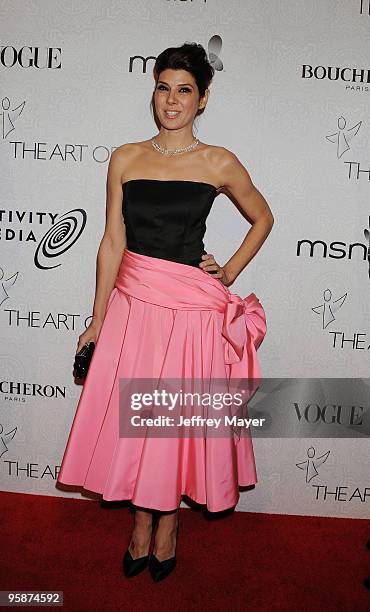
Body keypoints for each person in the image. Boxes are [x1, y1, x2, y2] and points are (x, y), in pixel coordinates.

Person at [57, 41, 274, 582]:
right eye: (162, 88)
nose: (171, 101)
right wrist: (97, 317)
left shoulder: (217, 161)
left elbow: (263, 218)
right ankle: (138, 525)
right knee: (136, 425)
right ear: (152, 91)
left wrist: (230, 272)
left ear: (202, 99)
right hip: (133, 306)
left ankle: (168, 524)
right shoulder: (126, 157)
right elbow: (111, 242)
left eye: (184, 91)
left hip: (189, 313)